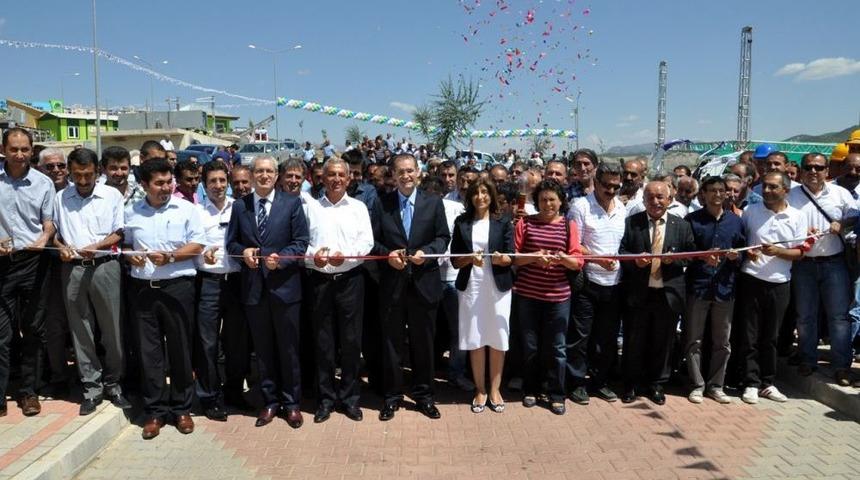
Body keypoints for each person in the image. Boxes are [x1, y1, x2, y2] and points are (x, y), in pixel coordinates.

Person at [226, 156, 309, 428]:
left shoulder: (292, 203)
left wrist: (282, 258)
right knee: (263, 351)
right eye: (259, 171)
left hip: (285, 289)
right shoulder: (240, 206)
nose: (264, 176)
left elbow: (301, 242)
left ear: (276, 176)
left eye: (269, 171)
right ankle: (270, 402)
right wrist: (243, 252)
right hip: (254, 291)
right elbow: (232, 243)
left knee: (289, 350)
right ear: (252, 175)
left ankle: (293, 404)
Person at [124, 158, 205, 439]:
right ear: (144, 184)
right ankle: (155, 411)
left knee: (181, 350)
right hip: (143, 290)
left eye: (168, 181)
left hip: (178, 287)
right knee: (150, 353)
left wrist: (171, 256)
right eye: (158, 183)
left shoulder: (187, 209)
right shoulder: (131, 211)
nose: (166, 188)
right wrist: (128, 253)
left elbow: (198, 244)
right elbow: (124, 241)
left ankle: (182, 408)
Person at [371, 154, 450, 421]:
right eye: (400, 172)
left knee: (423, 344)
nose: (406, 176)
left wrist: (427, 252)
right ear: (393, 175)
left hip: (424, 283)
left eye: (410, 171)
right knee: (391, 344)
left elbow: (443, 237)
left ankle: (424, 395)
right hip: (392, 285)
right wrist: (387, 255)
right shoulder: (382, 204)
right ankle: (391, 396)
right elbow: (372, 242)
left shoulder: (433, 202)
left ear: (419, 172)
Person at [53, 148, 131, 415]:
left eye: (87, 175)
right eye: (77, 176)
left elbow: (119, 232)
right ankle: (91, 387)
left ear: (97, 171)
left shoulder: (111, 196)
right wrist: (60, 246)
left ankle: (114, 383)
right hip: (72, 270)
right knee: (80, 330)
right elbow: (54, 233)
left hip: (104, 267)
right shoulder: (61, 197)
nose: (83, 181)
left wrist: (97, 246)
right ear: (70, 172)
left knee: (112, 331)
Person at [303, 158, 373, 423]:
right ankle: (325, 400)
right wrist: (313, 257)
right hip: (320, 281)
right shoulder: (311, 208)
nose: (335, 179)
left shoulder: (358, 207)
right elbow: (303, 242)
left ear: (348, 179)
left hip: (350, 281)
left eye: (340, 175)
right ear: (322, 178)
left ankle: (350, 399)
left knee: (351, 343)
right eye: (330, 174)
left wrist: (347, 256)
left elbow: (366, 241)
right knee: (323, 344)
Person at [619, 181, 696, 405]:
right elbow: (622, 251)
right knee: (634, 341)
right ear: (643, 200)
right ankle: (631, 383)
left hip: (668, 294)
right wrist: (636, 262)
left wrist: (675, 259)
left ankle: (657, 384)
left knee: (663, 342)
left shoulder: (681, 225)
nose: (655, 202)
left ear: (669, 200)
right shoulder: (631, 223)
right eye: (650, 197)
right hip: (639, 292)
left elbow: (691, 254)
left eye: (660, 197)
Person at [513, 180, 583, 415]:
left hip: (558, 297)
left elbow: (577, 263)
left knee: (557, 347)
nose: (547, 204)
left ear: (561, 201)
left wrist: (562, 259)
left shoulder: (568, 226)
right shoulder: (525, 223)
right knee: (530, 346)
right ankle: (530, 389)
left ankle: (556, 393)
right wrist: (534, 257)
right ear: (536, 201)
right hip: (527, 295)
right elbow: (514, 258)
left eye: (552, 199)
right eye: (543, 199)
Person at [738, 171, 808, 404]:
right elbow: (741, 243)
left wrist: (779, 252)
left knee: (771, 336)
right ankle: (750, 382)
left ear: (785, 190)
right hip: (751, 279)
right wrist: (748, 252)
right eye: (765, 186)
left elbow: (799, 252)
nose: (766, 191)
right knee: (750, 335)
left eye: (772, 187)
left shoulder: (797, 216)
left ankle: (768, 383)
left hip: (780, 283)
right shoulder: (751, 212)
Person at [787, 153, 857, 385]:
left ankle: (841, 366)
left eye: (819, 167)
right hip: (803, 264)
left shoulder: (841, 194)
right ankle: (808, 359)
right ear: (801, 170)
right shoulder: (791, 195)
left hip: (834, 263)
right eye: (808, 167)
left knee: (838, 317)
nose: (813, 171)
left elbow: (856, 217)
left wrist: (842, 223)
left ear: (827, 171)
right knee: (805, 316)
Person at [0, 128, 55, 417]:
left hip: (35, 261)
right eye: (14, 149)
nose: (19, 155)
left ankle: (29, 392)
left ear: (32, 150)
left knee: (33, 329)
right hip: (2, 264)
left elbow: (49, 222)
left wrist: (45, 238)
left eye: (25, 150)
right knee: (2, 334)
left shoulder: (44, 183)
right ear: (3, 149)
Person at [451, 178, 514, 413]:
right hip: (471, 286)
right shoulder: (462, 223)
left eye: (485, 192)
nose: (481, 196)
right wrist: (470, 257)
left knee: (498, 336)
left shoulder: (503, 221)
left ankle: (495, 389)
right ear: (470, 197)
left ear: (492, 195)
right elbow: (455, 261)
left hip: (497, 287)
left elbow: (512, 257)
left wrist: (501, 259)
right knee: (475, 336)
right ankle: (480, 389)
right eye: (476, 192)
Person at [193, 161, 250, 419]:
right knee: (207, 343)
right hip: (208, 283)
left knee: (237, 342)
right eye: (212, 181)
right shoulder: (195, 212)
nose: (218, 186)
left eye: (222, 181)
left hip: (237, 282)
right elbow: (188, 245)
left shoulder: (240, 208)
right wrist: (202, 254)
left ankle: (235, 392)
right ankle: (209, 397)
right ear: (204, 185)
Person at [566, 162, 626, 404]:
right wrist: (597, 259)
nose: (611, 191)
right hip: (587, 282)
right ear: (596, 182)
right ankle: (576, 383)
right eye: (606, 186)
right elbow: (573, 244)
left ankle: (600, 382)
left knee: (607, 337)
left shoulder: (622, 208)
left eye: (615, 186)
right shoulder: (580, 206)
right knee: (581, 336)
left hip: (615, 284)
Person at [683, 176, 746, 404]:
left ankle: (716, 385)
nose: (718, 194)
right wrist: (702, 259)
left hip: (724, 289)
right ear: (704, 194)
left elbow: (745, 252)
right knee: (694, 339)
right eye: (713, 190)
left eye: (722, 190)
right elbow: (684, 254)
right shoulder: (692, 220)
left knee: (722, 341)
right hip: (698, 287)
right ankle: (697, 384)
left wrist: (736, 256)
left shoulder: (736, 221)